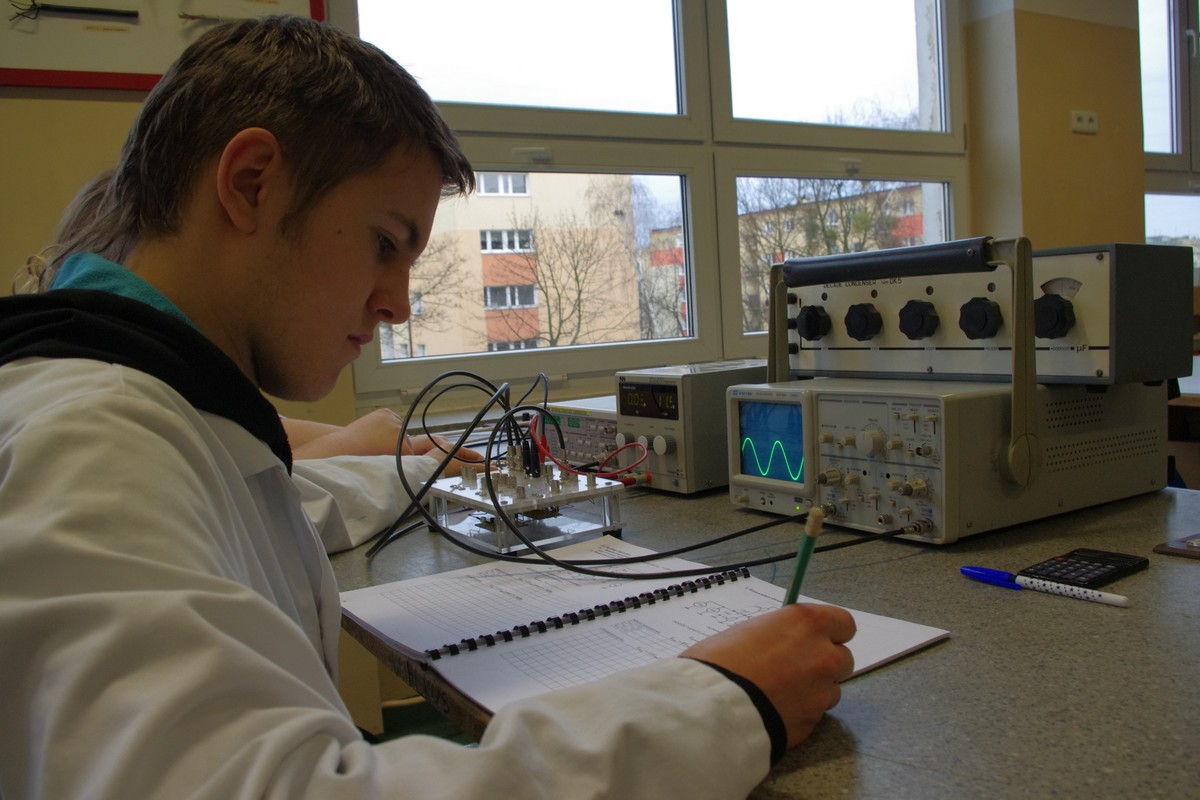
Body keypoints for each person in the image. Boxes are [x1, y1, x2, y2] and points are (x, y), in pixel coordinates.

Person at [0, 15, 855, 800]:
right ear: (252, 183)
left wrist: (421, 471)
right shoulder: (96, 444)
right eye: (385, 243)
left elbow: (270, 514)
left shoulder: (157, 413)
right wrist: (724, 699)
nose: (397, 305)